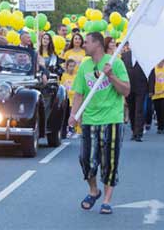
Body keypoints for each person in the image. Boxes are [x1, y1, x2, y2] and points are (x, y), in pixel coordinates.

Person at [68, 32, 130, 215]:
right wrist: (73, 114)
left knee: (109, 162)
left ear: (97, 44)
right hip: (89, 120)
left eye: (86, 42)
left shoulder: (115, 63)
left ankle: (107, 200)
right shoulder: (85, 66)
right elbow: (79, 93)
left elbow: (126, 90)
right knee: (85, 159)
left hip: (112, 119)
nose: (83, 45)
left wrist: (111, 76)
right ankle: (94, 190)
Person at [121, 48, 150, 142]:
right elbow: (121, 71)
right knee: (132, 110)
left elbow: (151, 71)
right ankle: (134, 130)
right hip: (128, 87)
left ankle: (139, 133)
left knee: (139, 110)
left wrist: (151, 88)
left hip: (141, 86)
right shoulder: (125, 55)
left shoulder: (145, 56)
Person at [149, 59, 164, 134]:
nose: (161, 64)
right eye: (159, 62)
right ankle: (159, 127)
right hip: (155, 93)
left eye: (162, 62)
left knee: (163, 110)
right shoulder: (154, 69)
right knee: (157, 111)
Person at [60, 59, 79, 137]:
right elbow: (61, 86)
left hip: (74, 99)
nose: (72, 68)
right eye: (70, 66)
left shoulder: (76, 76)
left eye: (73, 66)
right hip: (67, 98)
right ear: (67, 67)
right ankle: (66, 129)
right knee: (66, 115)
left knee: (73, 114)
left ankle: (72, 129)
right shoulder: (64, 76)